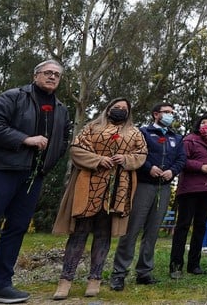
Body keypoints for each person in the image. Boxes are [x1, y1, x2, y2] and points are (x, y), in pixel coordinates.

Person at [0, 60, 71, 305]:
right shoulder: (13, 97)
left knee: (16, 229)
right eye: (47, 73)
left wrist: (47, 165)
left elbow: (63, 140)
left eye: (57, 74)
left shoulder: (61, 109)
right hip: (2, 170)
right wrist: (25, 139)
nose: (52, 77)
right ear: (36, 75)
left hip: (33, 177)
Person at [52, 98, 146, 300]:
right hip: (89, 183)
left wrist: (126, 159)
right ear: (108, 109)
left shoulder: (134, 132)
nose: (120, 110)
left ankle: (94, 279)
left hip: (117, 188)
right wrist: (98, 160)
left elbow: (142, 153)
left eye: (124, 109)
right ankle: (65, 280)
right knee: (79, 232)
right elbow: (77, 149)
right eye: (116, 107)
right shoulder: (91, 127)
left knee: (104, 233)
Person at [110, 102, 186, 291]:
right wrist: (148, 167)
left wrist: (172, 171)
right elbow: (136, 153)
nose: (170, 115)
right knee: (132, 229)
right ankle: (119, 273)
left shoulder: (176, 137)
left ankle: (144, 272)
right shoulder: (143, 132)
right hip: (144, 185)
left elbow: (181, 159)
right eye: (166, 112)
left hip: (164, 187)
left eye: (172, 113)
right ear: (155, 114)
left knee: (152, 231)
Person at [169, 114, 207, 279]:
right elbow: (182, 161)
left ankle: (194, 264)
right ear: (198, 125)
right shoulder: (189, 140)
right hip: (190, 189)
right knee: (183, 226)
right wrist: (201, 167)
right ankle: (176, 265)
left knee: (200, 226)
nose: (206, 125)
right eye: (203, 122)